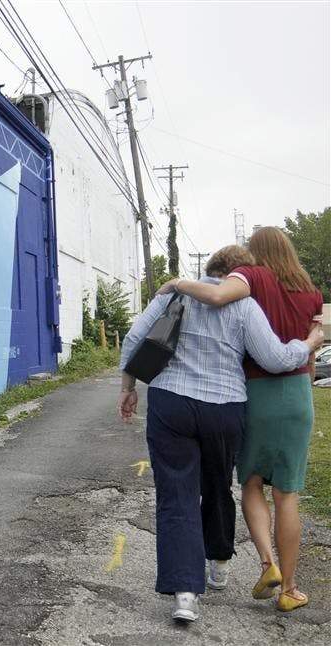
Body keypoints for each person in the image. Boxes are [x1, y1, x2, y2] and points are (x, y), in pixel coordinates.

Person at [119, 245, 325, 623]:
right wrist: (309, 344)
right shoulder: (245, 306)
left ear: (210, 268)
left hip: (171, 402)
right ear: (240, 274)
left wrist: (128, 387)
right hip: (224, 407)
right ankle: (219, 563)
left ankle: (184, 594)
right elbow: (275, 359)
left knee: (176, 493)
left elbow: (134, 339)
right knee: (217, 485)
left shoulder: (175, 293)